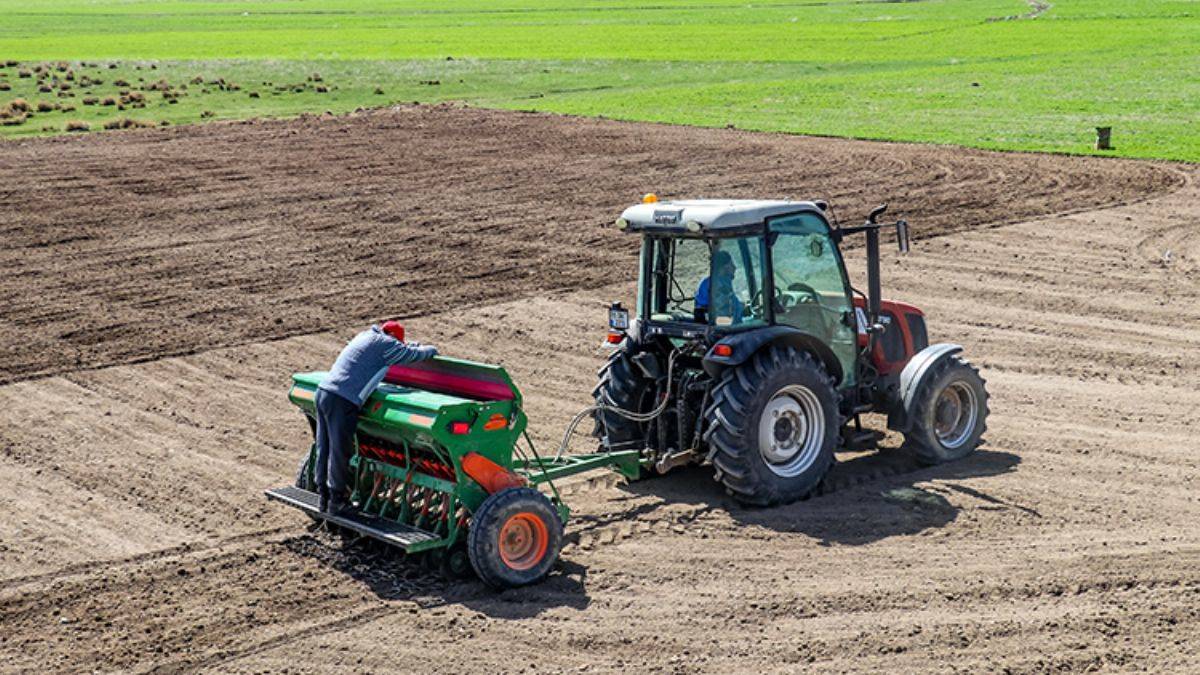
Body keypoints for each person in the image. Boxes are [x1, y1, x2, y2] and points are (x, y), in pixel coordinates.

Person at [314, 321, 437, 516]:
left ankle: (323, 497)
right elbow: (413, 355)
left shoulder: (365, 336)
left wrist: (411, 344)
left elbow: (403, 349)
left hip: (323, 392)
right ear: (395, 339)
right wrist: (432, 349)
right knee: (340, 451)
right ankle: (337, 501)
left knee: (325, 446)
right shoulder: (387, 345)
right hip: (343, 399)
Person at [695, 250, 743, 324]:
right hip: (719, 327)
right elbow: (725, 314)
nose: (734, 268)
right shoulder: (720, 286)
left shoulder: (707, 282)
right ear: (724, 268)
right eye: (731, 265)